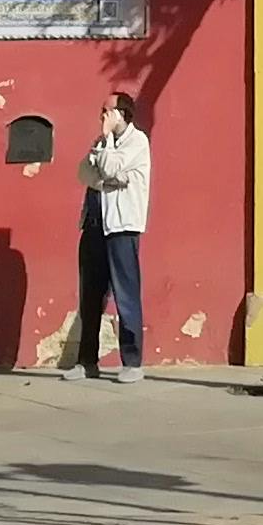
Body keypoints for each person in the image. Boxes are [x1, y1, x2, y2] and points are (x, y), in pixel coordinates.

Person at [74, 94, 151, 383]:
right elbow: (84, 173)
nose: (102, 116)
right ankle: (86, 361)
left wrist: (106, 156)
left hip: (121, 227)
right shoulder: (101, 141)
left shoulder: (137, 142)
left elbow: (109, 168)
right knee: (90, 296)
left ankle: (132, 362)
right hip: (94, 226)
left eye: (106, 110)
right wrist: (108, 174)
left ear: (121, 113)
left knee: (126, 296)